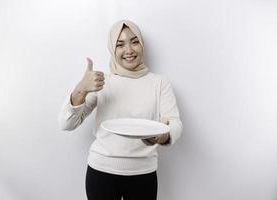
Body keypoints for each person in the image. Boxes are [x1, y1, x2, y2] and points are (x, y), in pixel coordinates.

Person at [58, 20, 183, 200]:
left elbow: (175, 122)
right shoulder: (102, 82)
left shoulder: (159, 82)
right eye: (120, 44)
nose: (129, 50)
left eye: (134, 41)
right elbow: (66, 123)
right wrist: (81, 89)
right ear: (112, 49)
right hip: (101, 173)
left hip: (144, 175)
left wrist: (163, 135)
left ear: (142, 44)